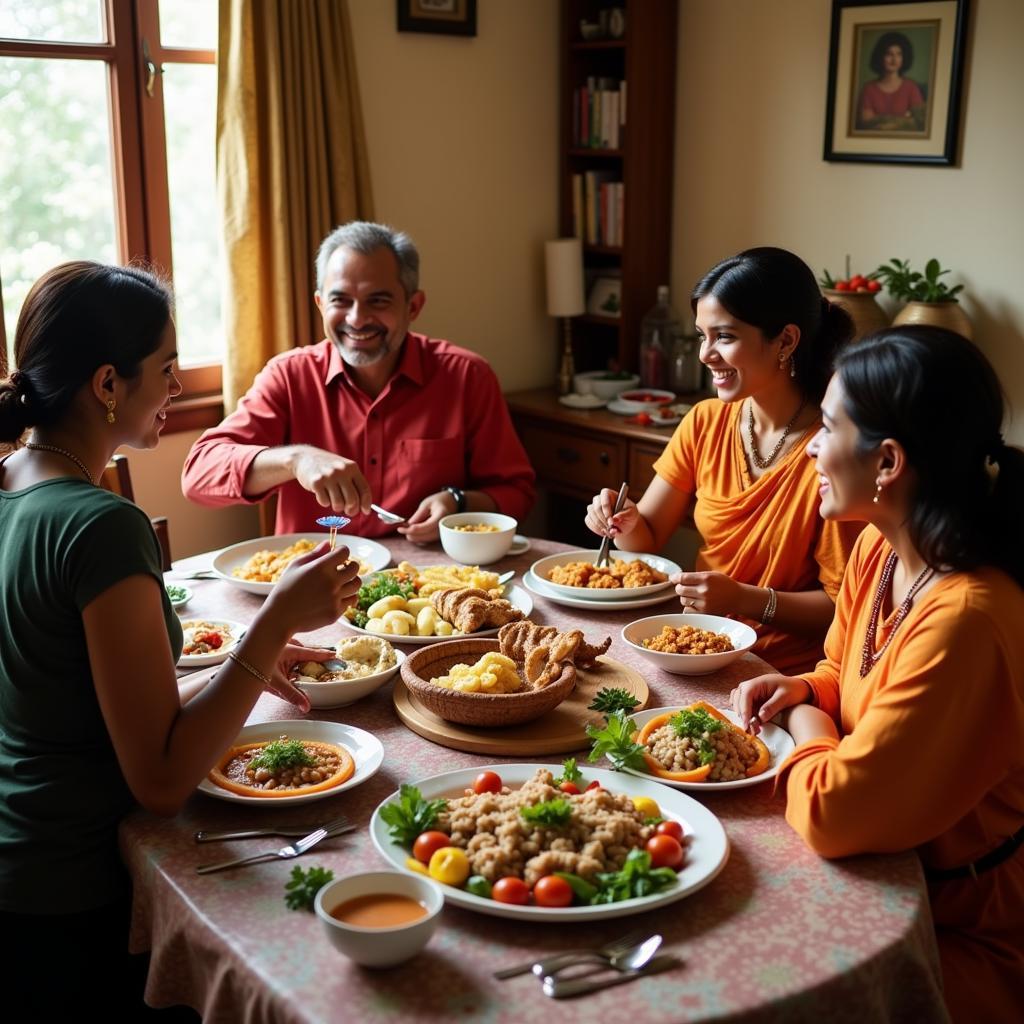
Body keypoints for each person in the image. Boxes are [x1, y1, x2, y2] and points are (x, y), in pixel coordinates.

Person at [0, 262, 360, 1012]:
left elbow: (74, 695)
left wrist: (239, 662)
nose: (173, 387)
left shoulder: (11, 486)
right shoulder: (100, 526)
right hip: (76, 894)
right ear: (107, 384)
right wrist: (271, 625)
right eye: (166, 369)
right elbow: (161, 782)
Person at [732, 327, 1024, 1021]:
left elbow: (835, 812)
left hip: (958, 928)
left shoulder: (967, 621)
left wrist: (804, 719)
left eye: (827, 426)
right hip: (885, 878)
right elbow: (840, 667)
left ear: (887, 461)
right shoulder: (879, 550)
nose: (809, 445)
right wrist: (806, 688)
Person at [586, 247, 863, 674]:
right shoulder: (705, 421)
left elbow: (844, 610)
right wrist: (622, 520)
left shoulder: (830, 452)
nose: (705, 353)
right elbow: (647, 536)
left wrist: (742, 599)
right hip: (697, 647)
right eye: (702, 335)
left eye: (725, 337)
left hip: (784, 674)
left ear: (786, 340)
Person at [181, 221, 535, 543]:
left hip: (428, 588)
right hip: (310, 587)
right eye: (340, 300)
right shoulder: (289, 376)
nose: (357, 318)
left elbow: (516, 493)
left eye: (377, 301)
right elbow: (198, 476)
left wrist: (458, 502)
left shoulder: (467, 377)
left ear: (413, 306)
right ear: (321, 304)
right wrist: (295, 460)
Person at [856, 31, 925, 129]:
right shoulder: (869, 89)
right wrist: (904, 120)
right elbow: (866, 122)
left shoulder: (911, 87)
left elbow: (919, 122)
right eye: (889, 54)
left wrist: (889, 124)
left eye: (899, 54)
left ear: (904, 58)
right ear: (880, 57)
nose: (894, 59)